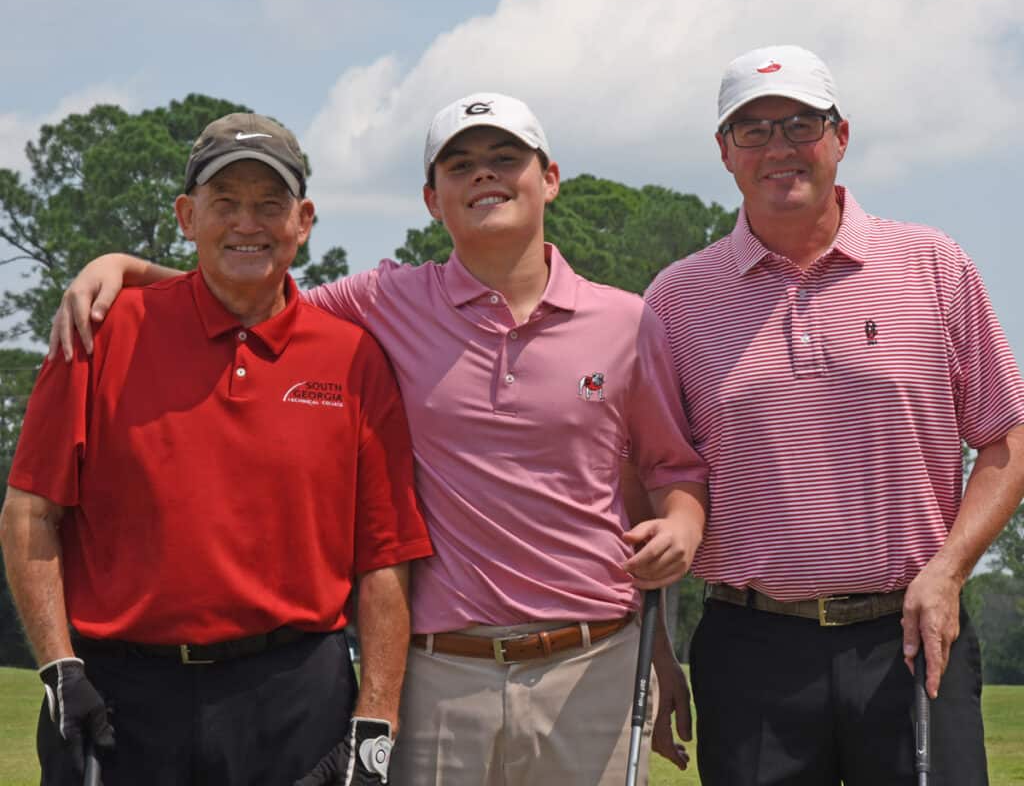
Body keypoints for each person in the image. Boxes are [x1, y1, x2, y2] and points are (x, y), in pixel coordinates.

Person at [47, 93, 708, 785]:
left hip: (592, 664)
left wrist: (683, 531)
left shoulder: (629, 322)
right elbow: (248, 285)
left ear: (549, 178)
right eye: (461, 165)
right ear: (432, 198)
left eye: (505, 159)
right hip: (441, 673)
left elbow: (672, 469)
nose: (484, 175)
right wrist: (124, 270)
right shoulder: (384, 300)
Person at [0, 112, 433, 786]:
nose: (247, 224)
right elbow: (31, 512)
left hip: (294, 695)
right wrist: (59, 664)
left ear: (304, 221)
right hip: (119, 697)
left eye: (269, 205)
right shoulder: (101, 333)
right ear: (186, 215)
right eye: (224, 203)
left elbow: (384, 556)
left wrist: (376, 718)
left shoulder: (352, 357)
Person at [642, 45, 1024, 785]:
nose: (779, 147)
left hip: (915, 633)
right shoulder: (675, 301)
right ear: (724, 153)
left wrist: (948, 573)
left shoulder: (934, 265)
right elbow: (654, 480)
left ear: (840, 136)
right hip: (749, 648)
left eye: (800, 124)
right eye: (752, 130)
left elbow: (1005, 442)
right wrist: (656, 649)